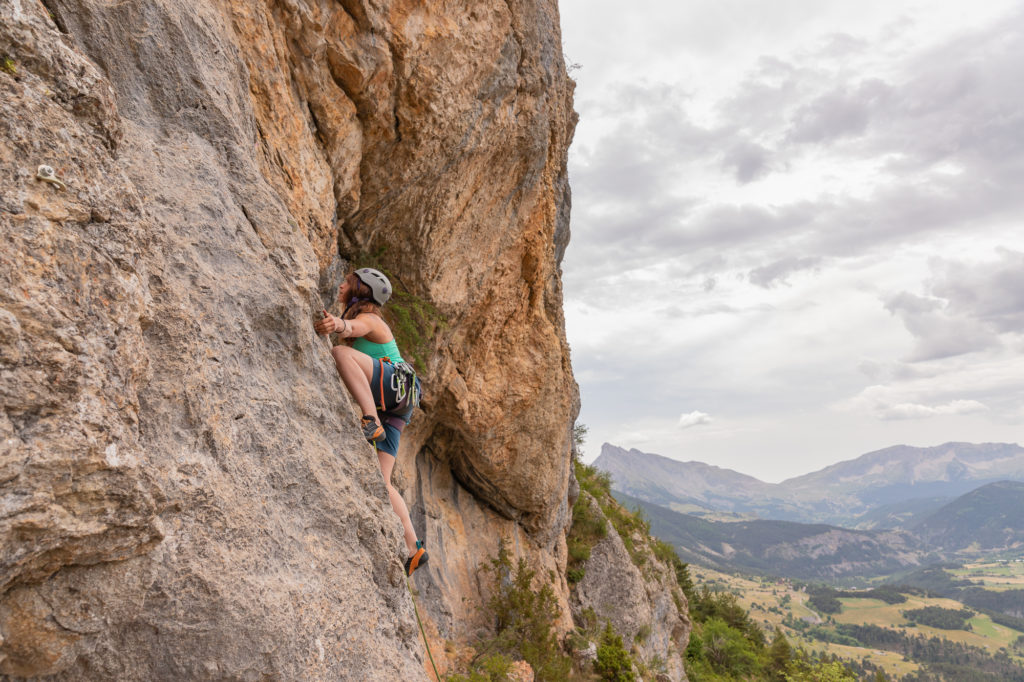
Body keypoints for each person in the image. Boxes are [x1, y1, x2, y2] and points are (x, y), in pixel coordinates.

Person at [315, 267, 427, 577]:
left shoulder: (372, 320)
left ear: (361, 290)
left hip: (395, 387)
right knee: (382, 481)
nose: (341, 285)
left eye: (348, 282)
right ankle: (413, 547)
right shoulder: (369, 321)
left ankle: (370, 418)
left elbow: (352, 326)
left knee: (341, 353)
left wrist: (337, 324)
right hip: (400, 405)